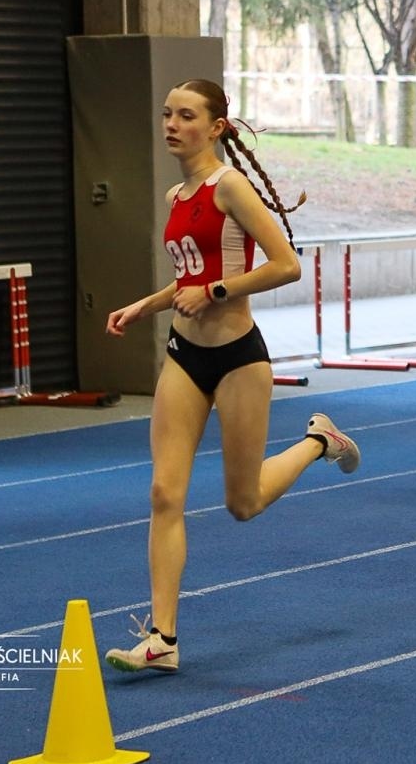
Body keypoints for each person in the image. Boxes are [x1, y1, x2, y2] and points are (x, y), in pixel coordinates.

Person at [103, 79, 360, 676]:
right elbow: (190, 276)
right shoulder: (176, 194)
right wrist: (148, 304)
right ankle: (162, 637)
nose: (171, 123)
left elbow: (286, 265)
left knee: (242, 503)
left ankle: (320, 440)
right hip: (184, 358)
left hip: (239, 356)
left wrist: (217, 292)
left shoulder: (230, 188)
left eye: (186, 115)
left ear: (217, 125)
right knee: (165, 492)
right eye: (166, 112)